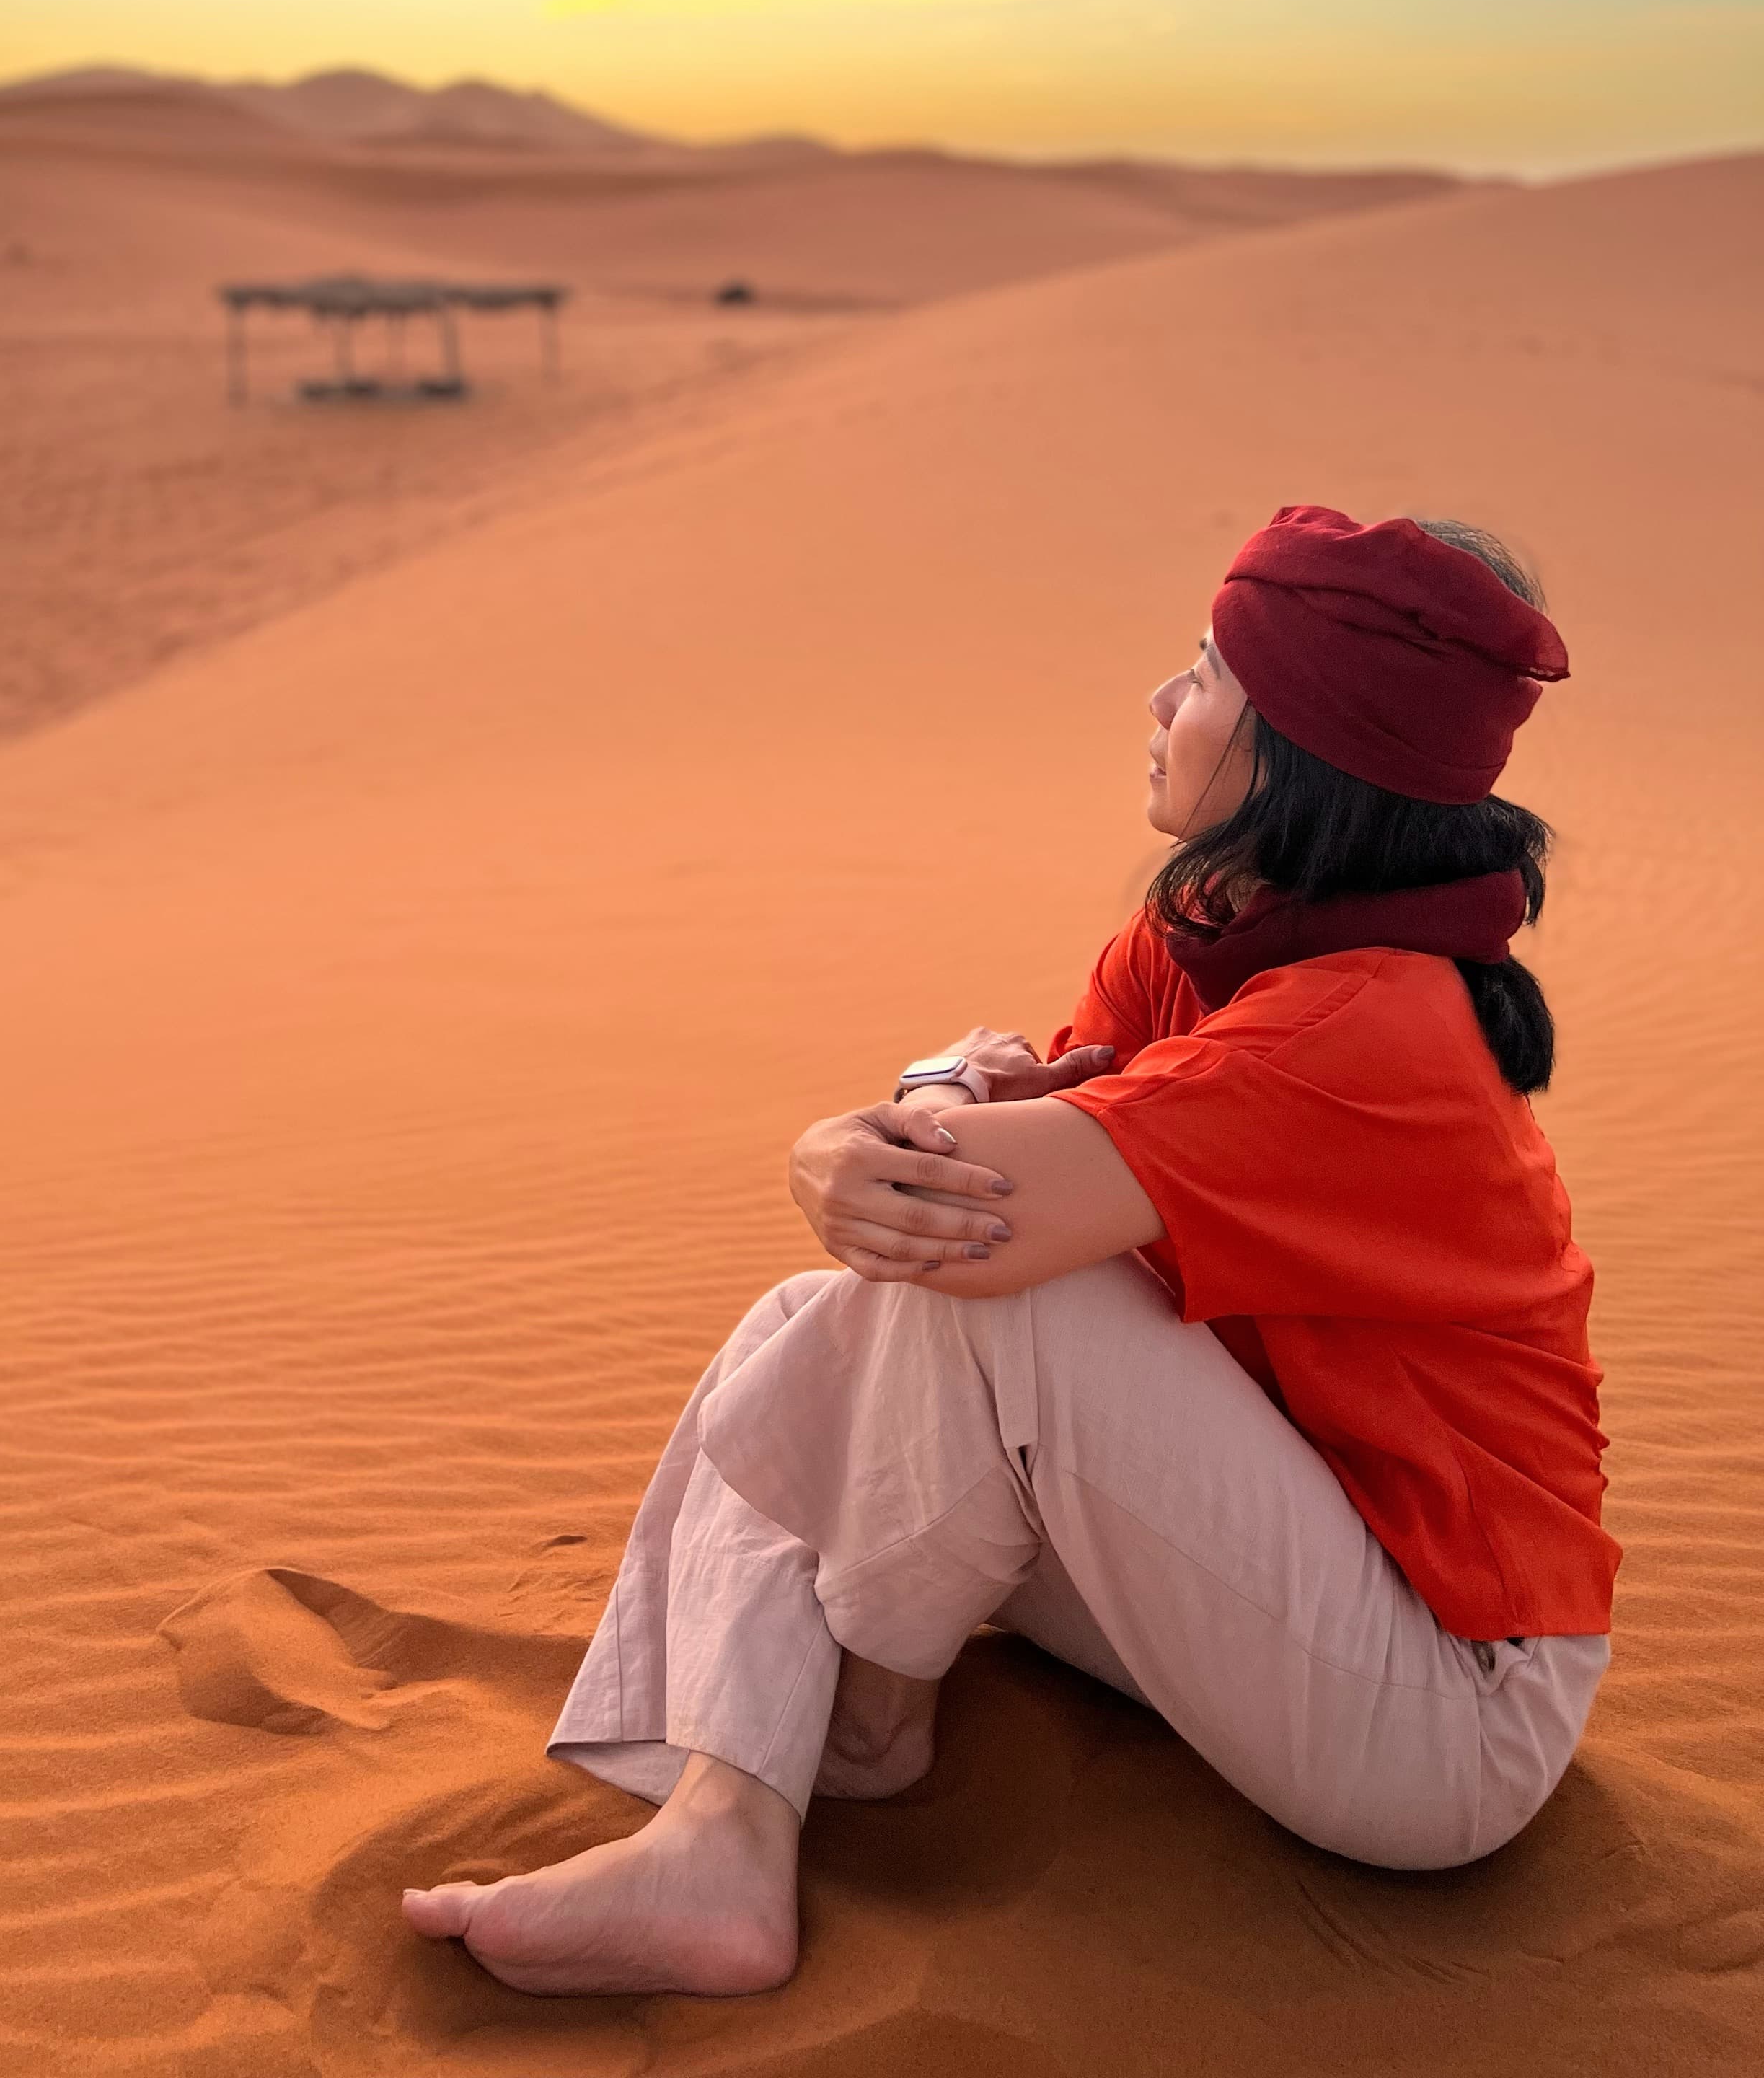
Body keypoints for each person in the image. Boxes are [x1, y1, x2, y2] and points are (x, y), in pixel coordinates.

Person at [403, 504, 1620, 1996]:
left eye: (1205, 673)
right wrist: (890, 1134)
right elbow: (960, 1176)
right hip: (1275, 1583)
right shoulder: (1200, 947)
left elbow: (960, 1219)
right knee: (815, 1326)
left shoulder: (1366, 1029)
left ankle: (852, 1730)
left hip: (1447, 1714)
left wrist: (864, 1127)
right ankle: (725, 1828)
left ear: (1303, 739)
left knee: (987, 1297)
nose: (1162, 705)